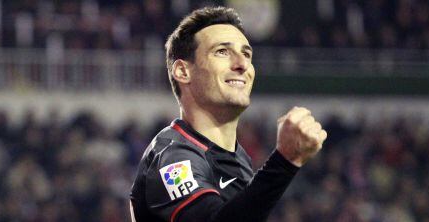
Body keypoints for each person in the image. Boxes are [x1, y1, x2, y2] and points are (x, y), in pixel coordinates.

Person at [130, 7, 327, 222]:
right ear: (183, 71)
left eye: (246, 54)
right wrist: (284, 161)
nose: (242, 64)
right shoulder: (172, 158)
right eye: (222, 51)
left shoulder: (238, 158)